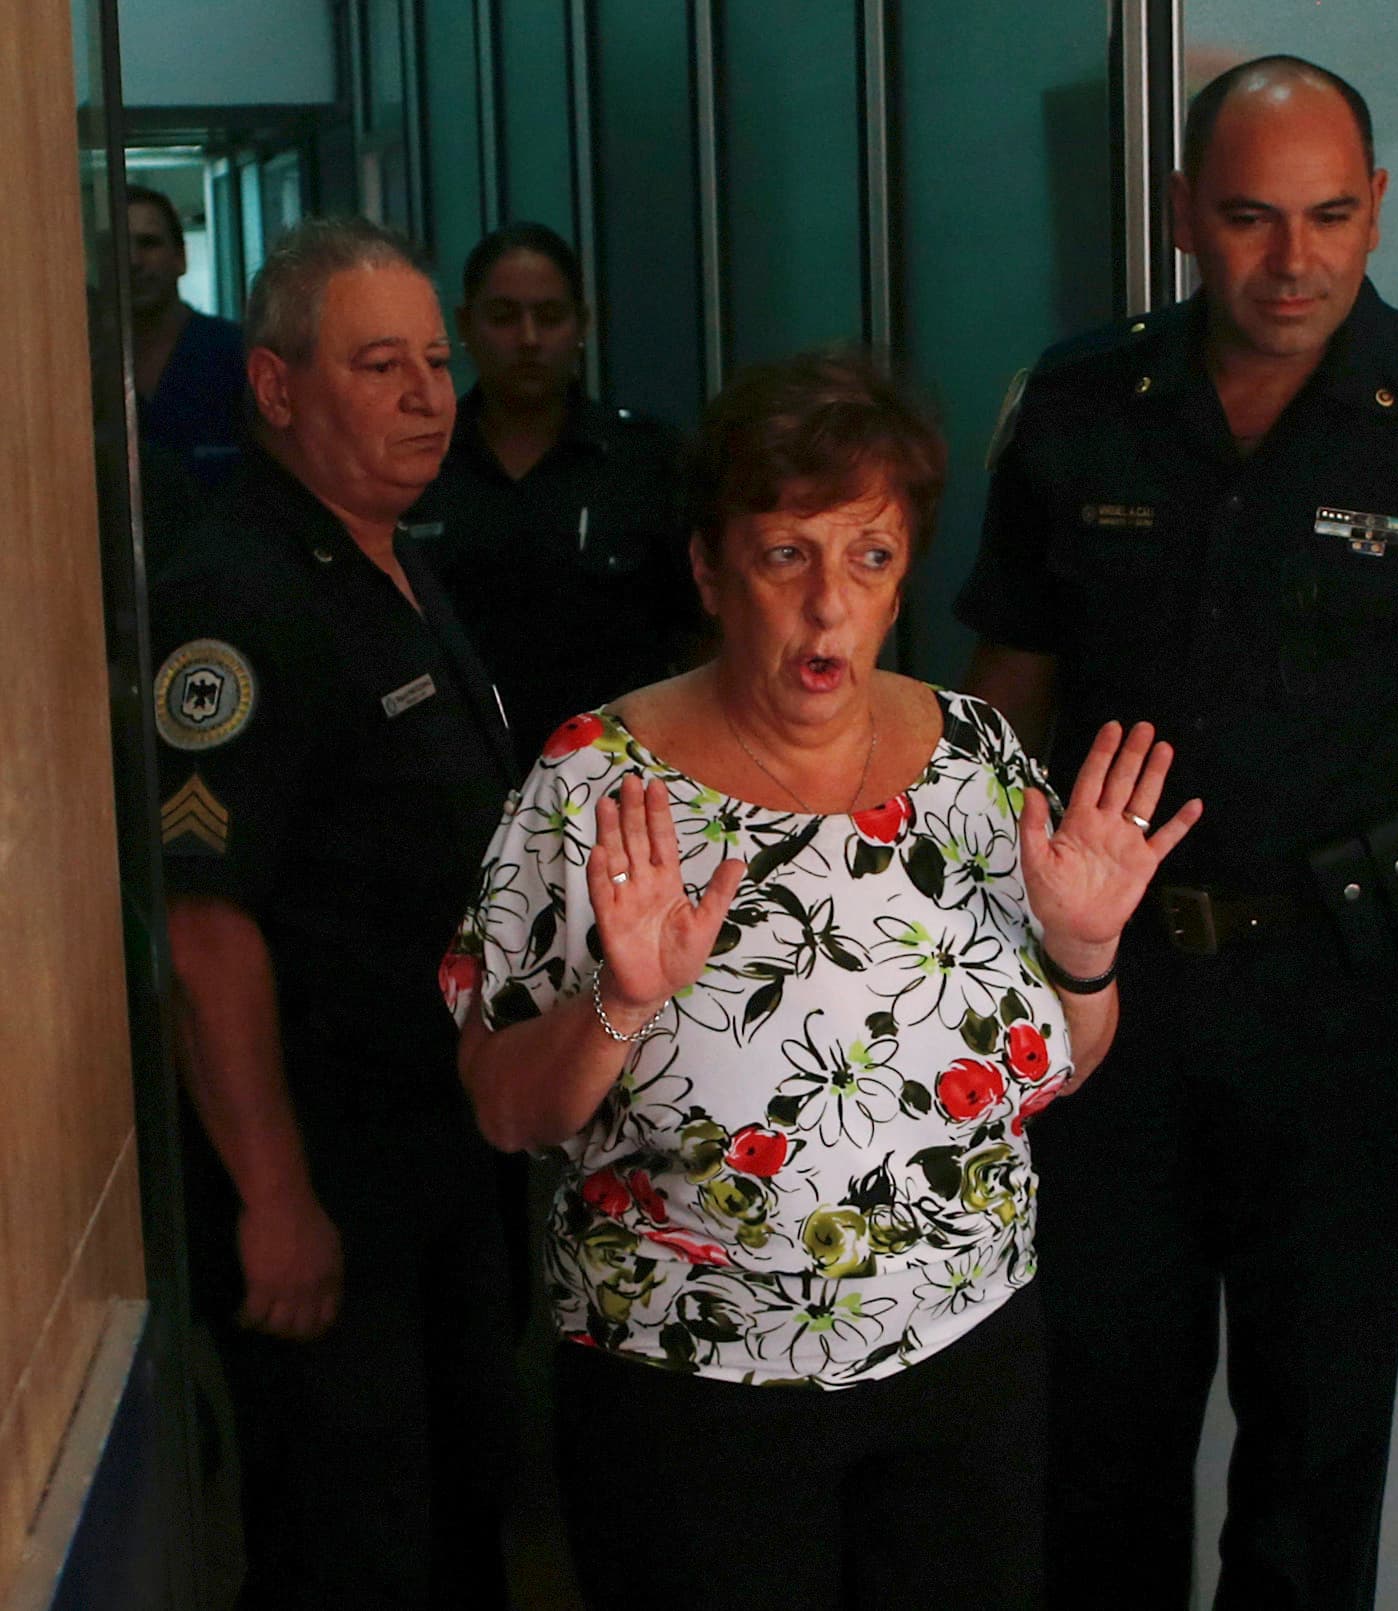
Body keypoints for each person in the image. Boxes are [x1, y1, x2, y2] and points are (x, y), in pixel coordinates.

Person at [958, 55, 1398, 1607]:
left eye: (1329, 215)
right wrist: (981, 1000)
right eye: (1250, 217)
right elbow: (995, 730)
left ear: (1380, 207)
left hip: (1349, 1013)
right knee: (1097, 1436)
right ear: (1185, 214)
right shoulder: (1078, 403)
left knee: (1316, 1459)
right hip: (1107, 1013)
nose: (1293, 259)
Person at [444, 349, 1194, 1605]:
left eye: (871, 557)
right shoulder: (593, 782)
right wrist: (619, 1001)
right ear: (708, 568)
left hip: (964, 1365)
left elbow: (1067, 1059)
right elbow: (504, 1110)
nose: (829, 606)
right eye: (787, 553)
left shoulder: (977, 763)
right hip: (691, 1392)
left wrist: (1084, 953)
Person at [151, 216, 519, 1606]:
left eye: (434, 360)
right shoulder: (239, 598)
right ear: (276, 387)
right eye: (381, 365)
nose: (431, 393)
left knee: (457, 1505)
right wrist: (277, 1193)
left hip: (439, 1139)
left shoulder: (392, 555)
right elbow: (205, 928)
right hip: (329, 1159)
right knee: (352, 1540)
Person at [414, 222, 700, 769]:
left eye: (549, 317)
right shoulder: (421, 463)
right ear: (463, 326)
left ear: (582, 325)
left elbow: (701, 634)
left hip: (617, 778)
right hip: (451, 775)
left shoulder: (647, 462)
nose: (528, 339)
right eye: (503, 316)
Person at [127, 183, 248, 486]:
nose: (133, 261)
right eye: (117, 246)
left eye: (149, 243)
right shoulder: (87, 367)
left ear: (180, 258)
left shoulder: (235, 355)